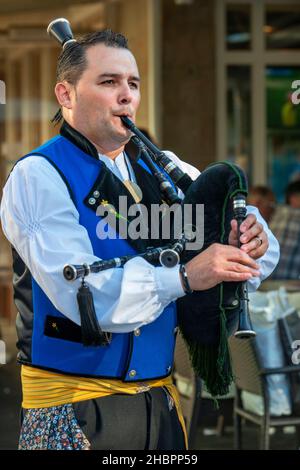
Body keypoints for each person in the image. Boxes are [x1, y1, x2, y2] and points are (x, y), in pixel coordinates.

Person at [0, 28, 279, 451]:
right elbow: (83, 293)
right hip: (73, 412)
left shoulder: (163, 167)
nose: (126, 95)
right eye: (108, 82)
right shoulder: (38, 174)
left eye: (133, 83)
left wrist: (251, 237)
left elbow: (226, 222)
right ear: (66, 94)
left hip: (159, 407)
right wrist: (184, 278)